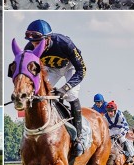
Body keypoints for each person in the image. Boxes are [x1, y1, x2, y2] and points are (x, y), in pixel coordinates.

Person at [23, 19, 86, 157]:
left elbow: (82, 70)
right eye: (33, 42)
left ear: (48, 38)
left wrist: (65, 88)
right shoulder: (29, 48)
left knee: (71, 95)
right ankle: (29, 137)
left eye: (38, 42)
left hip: (70, 67)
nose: (35, 45)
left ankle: (79, 138)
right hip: (51, 69)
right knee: (39, 93)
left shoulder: (65, 43)